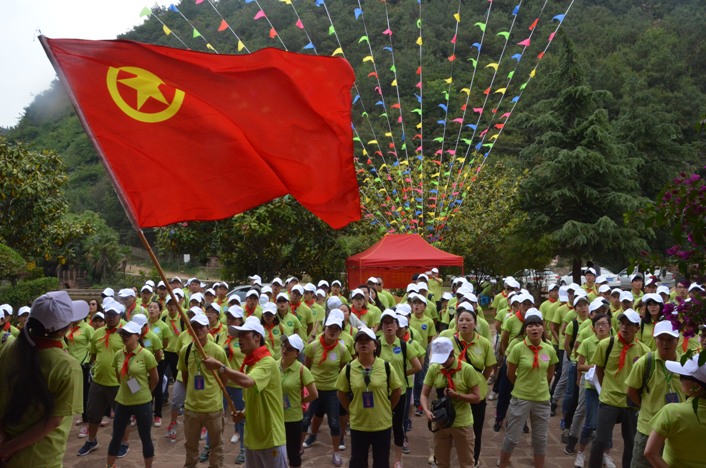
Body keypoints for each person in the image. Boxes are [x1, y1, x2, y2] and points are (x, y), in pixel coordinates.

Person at [0, 291, 86, 467]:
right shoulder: (67, 366)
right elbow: (53, 421)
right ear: (64, 329)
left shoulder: (9, 347)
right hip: (41, 458)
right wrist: (7, 450)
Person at [201, 316, 288, 468]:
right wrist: (243, 413)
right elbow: (255, 398)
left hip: (270, 437)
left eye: (244, 335)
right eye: (239, 336)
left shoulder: (267, 362)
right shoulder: (250, 365)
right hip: (252, 438)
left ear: (257, 337)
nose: (239, 339)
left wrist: (221, 367)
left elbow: (249, 381)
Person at [588, 309, 650, 468]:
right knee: (600, 440)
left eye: (629, 324)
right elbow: (599, 369)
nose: (624, 327)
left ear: (637, 328)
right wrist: (606, 388)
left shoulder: (644, 351)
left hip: (631, 403)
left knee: (631, 442)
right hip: (609, 400)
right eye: (622, 323)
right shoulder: (606, 344)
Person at [498, 310, 558, 468]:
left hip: (542, 399)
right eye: (530, 325)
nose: (534, 328)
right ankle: (502, 463)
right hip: (521, 398)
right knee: (512, 437)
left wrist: (540, 386)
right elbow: (510, 373)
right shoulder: (518, 348)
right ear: (525, 329)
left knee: (540, 439)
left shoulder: (549, 349)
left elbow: (550, 373)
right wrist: (522, 385)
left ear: (543, 328)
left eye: (538, 325)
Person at [336, 327, 403, 468]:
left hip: (382, 424)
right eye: (359, 341)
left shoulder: (386, 367)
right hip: (359, 424)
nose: (363, 343)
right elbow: (341, 393)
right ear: (355, 346)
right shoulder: (348, 369)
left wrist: (388, 407)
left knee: (381, 462)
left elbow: (397, 390)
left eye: (367, 340)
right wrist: (351, 409)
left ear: (375, 345)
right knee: (358, 462)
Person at [440, 303, 496, 465]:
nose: (464, 323)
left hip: (475, 395)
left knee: (476, 429)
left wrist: (477, 382)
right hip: (453, 393)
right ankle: (442, 458)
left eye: (468, 320)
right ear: (456, 323)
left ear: (475, 323)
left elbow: (489, 367)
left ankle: (474, 460)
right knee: (448, 427)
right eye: (461, 320)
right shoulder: (449, 342)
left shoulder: (483, 343)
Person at [625, 320, 682, 468]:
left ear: (678, 340)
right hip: (648, 429)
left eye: (670, 339)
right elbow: (631, 391)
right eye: (661, 339)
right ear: (655, 339)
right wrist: (645, 406)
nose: (665, 343)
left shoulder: (685, 365)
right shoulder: (645, 363)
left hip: (676, 431)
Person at [421, 337, 481, 468]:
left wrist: (458, 395)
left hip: (462, 423)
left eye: (444, 359)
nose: (441, 363)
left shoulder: (467, 369)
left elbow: (477, 397)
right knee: (441, 462)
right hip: (441, 422)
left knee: (467, 463)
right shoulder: (434, 369)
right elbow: (424, 394)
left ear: (452, 353)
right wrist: (426, 410)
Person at [106, 320, 159, 468]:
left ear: (137, 336)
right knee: (116, 436)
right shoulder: (118, 355)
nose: (124, 336)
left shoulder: (146, 355)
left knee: (145, 437)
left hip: (142, 402)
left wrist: (146, 392)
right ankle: (109, 466)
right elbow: (119, 376)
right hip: (123, 401)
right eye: (123, 334)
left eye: (128, 334)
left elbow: (155, 379)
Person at [178, 312, 228, 468]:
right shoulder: (185, 351)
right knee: (190, 445)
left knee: (216, 445)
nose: (198, 330)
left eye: (201, 326)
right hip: (192, 407)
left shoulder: (217, 351)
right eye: (194, 327)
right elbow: (185, 375)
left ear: (208, 329)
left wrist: (214, 392)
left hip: (213, 407)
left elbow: (224, 377)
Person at [302, 311, 352, 466]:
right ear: (324, 328)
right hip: (314, 389)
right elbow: (306, 368)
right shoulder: (313, 346)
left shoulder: (342, 350)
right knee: (305, 420)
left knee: (334, 422)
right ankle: (300, 447)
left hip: (332, 391)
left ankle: (336, 452)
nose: (333, 331)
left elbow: (343, 371)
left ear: (340, 331)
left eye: (337, 328)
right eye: (330, 327)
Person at [78, 298, 126, 457]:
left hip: (118, 382)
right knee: (93, 414)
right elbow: (93, 355)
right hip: (98, 381)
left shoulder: (126, 332)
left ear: (119, 315)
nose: (110, 317)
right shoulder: (97, 332)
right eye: (108, 314)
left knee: (122, 416)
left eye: (113, 314)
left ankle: (123, 443)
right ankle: (91, 440)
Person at [644, 355, 706, 467]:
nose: (679, 379)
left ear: (696, 386)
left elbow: (650, 452)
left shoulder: (671, 412)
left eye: (683, 376)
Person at [379, 310, 422, 465]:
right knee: (380, 426)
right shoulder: (376, 345)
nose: (389, 326)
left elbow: (418, 366)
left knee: (397, 425)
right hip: (380, 392)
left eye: (392, 323)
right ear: (381, 327)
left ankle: (398, 460)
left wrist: (402, 373)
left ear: (397, 326)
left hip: (400, 392)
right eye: (385, 323)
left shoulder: (404, 345)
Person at [279, 334, 317, 467]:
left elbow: (314, 394)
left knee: (293, 454)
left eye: (290, 348)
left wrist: (301, 400)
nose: (285, 350)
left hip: (293, 418)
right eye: (284, 346)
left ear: (297, 353)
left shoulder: (302, 370)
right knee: (276, 452)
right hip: (275, 416)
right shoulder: (274, 365)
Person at [64, 303, 95, 439]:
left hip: (83, 364)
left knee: (85, 394)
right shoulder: (69, 328)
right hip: (70, 364)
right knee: (74, 393)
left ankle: (87, 422)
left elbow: (93, 345)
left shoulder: (87, 328)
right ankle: (83, 417)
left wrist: (89, 359)